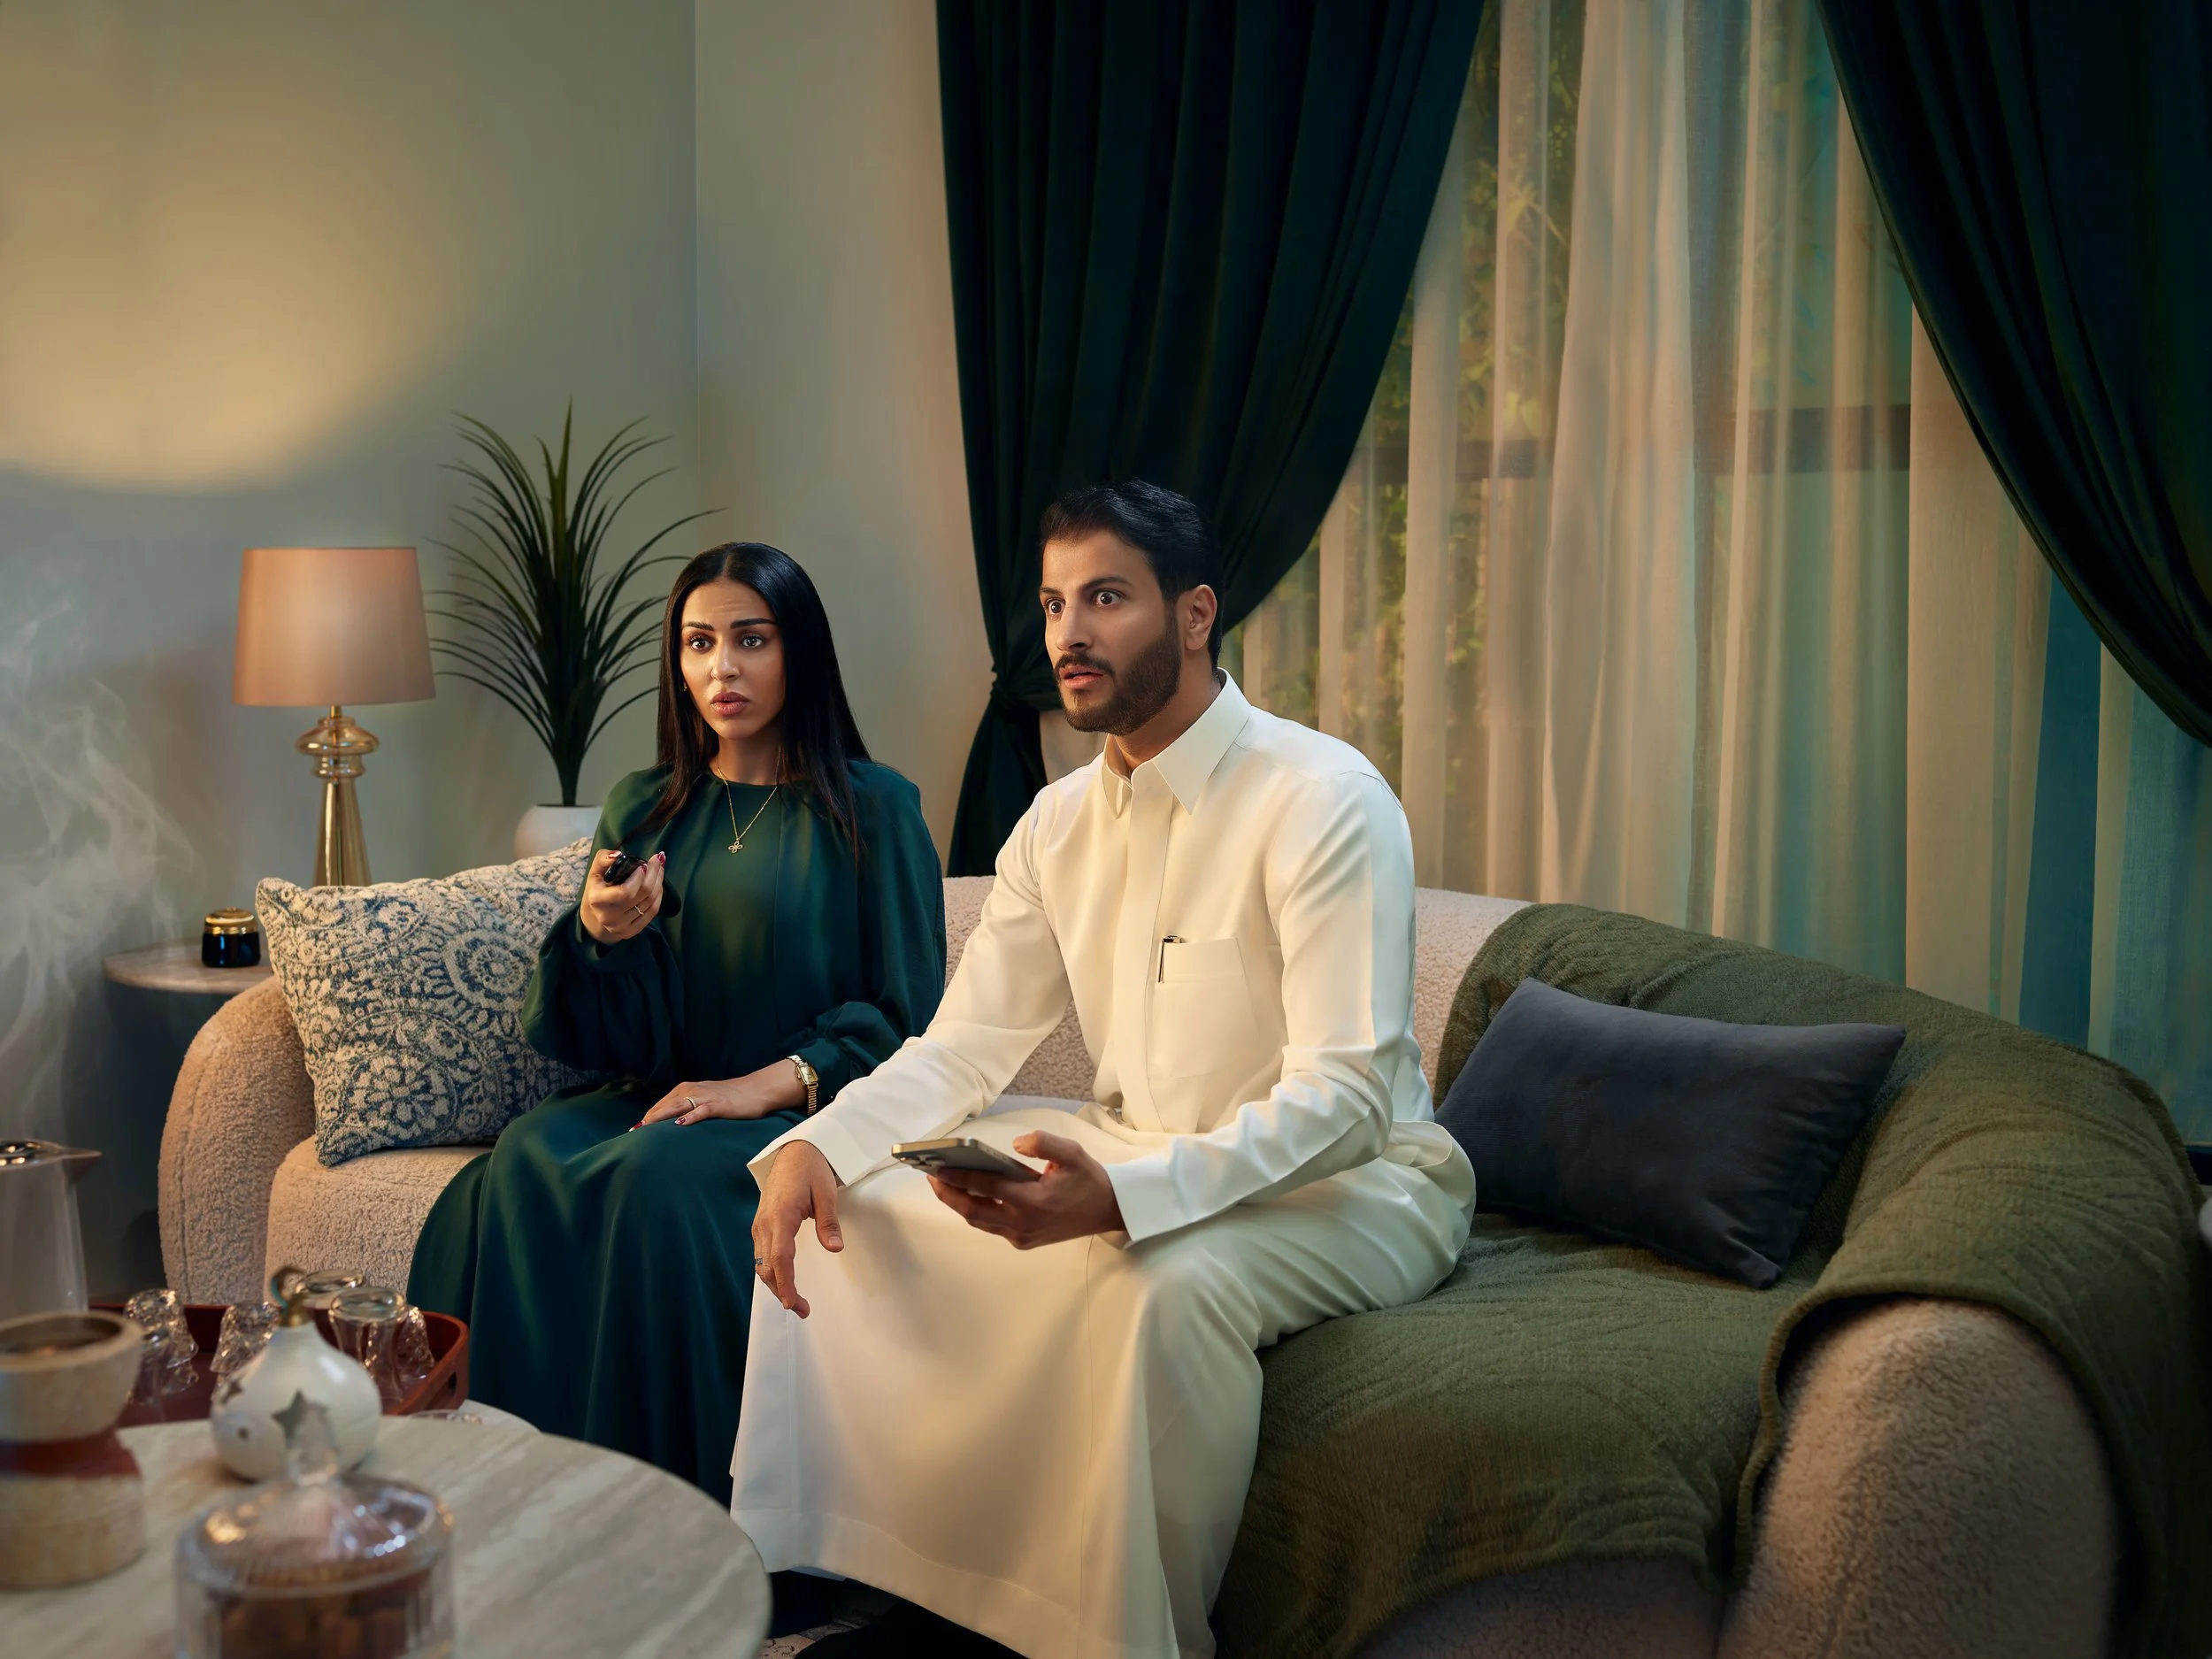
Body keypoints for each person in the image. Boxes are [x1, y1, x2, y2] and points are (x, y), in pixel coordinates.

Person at [733, 482, 1478, 1658]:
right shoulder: (1054, 821)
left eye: (1105, 598)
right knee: (861, 1210)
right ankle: (899, 1580)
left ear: (1194, 616)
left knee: (1157, 1289)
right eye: (1052, 602)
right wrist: (814, 1144)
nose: (1066, 632)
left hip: (1360, 1181)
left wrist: (1125, 1197)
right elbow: (967, 1045)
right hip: (1136, 1136)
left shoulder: (1325, 799)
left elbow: (1343, 1098)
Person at [409, 541, 946, 1504]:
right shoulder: (644, 806)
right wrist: (600, 936)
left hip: (806, 1114)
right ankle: (526, 1489)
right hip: (665, 1092)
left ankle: (667, 1510)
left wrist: (751, 1088)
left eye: (751, 639)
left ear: (800, 653)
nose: (722, 669)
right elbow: (615, 1038)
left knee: (653, 1179)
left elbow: (908, 1018)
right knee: (528, 1151)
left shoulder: (876, 809)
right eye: (699, 643)